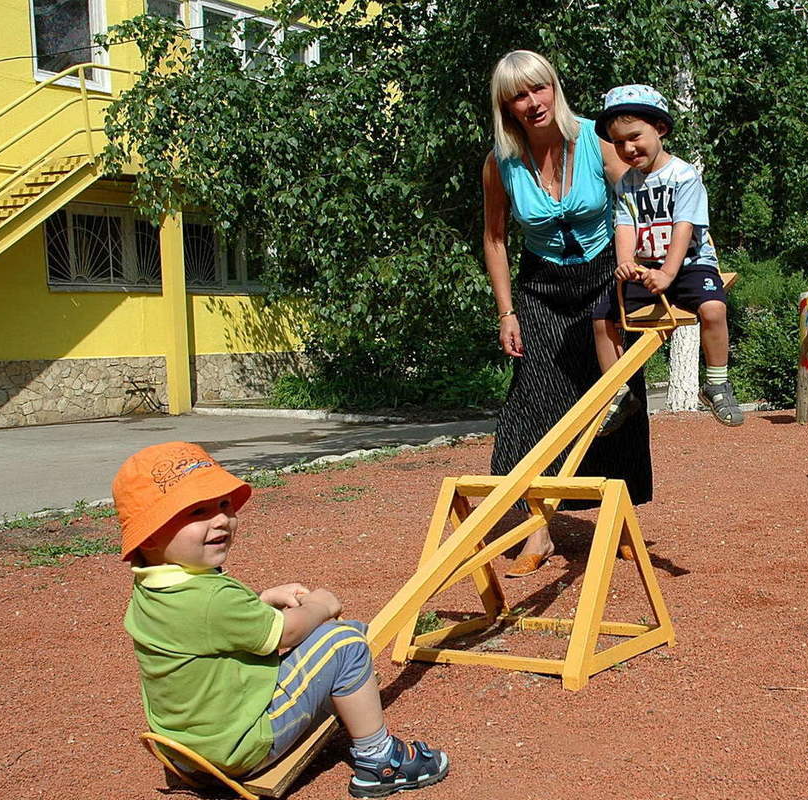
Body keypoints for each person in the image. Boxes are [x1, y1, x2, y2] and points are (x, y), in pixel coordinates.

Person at [115, 442, 449, 799]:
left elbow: (207, 628)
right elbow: (287, 632)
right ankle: (379, 762)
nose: (221, 520)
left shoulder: (153, 588)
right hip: (237, 748)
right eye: (197, 511)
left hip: (185, 748)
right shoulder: (212, 598)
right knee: (345, 642)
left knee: (330, 643)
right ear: (149, 535)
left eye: (224, 505)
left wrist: (260, 601)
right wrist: (320, 605)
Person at [482, 50, 653, 578]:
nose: (532, 103)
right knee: (532, 405)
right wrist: (506, 311)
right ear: (505, 105)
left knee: (615, 398)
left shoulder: (595, 141)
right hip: (540, 288)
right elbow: (493, 238)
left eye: (539, 89)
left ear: (553, 88)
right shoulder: (501, 162)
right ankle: (539, 530)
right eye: (518, 95)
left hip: (607, 280)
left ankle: (618, 523)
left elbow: (645, 198)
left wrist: (666, 269)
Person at [589, 84, 743, 431]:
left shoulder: (684, 175)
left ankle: (716, 382)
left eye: (634, 136)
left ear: (659, 129)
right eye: (618, 143)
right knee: (602, 316)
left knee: (714, 308)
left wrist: (669, 275)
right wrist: (626, 262)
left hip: (688, 264)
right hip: (648, 268)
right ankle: (618, 392)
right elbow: (625, 225)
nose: (628, 148)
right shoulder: (626, 183)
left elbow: (683, 227)